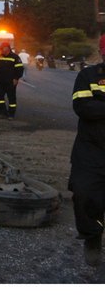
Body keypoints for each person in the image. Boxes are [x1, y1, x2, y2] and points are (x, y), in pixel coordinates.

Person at [69, 33, 105, 266]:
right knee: (84, 195)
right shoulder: (88, 75)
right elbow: (83, 106)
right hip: (91, 149)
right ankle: (92, 237)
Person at [0, 42, 23, 118]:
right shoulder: (0, 57)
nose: (1, 50)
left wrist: (16, 78)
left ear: (7, 48)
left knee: (11, 98)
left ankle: (11, 114)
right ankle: (2, 112)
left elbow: (20, 69)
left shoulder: (15, 57)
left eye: (3, 48)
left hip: (10, 81)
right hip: (0, 81)